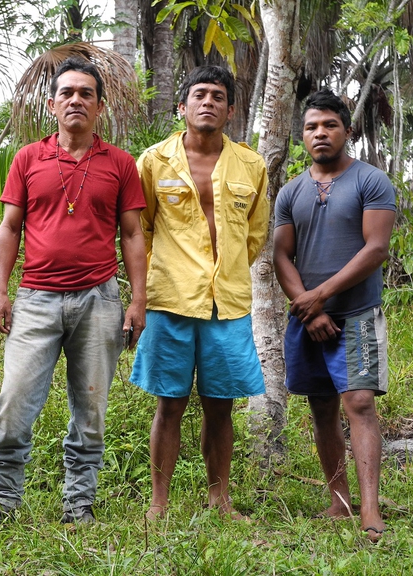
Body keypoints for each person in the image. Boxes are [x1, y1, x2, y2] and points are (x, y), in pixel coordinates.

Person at [0, 57, 147, 526]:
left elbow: (132, 235)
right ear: (52, 104)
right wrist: (0, 292)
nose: (76, 100)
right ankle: (3, 501)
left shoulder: (120, 164)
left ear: (99, 106)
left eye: (86, 93)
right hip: (35, 299)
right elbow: (9, 228)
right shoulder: (28, 158)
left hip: (99, 299)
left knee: (90, 409)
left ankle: (79, 505)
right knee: (14, 403)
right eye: (67, 93)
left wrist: (138, 300)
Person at [130, 65, 269, 521]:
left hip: (226, 304)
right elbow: (140, 230)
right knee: (169, 405)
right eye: (199, 94)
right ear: (182, 106)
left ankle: (220, 500)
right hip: (169, 300)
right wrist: (155, 283)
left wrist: (224, 272)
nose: (208, 101)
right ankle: (159, 504)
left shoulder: (251, 165)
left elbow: (255, 235)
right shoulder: (153, 161)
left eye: (217, 96)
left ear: (230, 109)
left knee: (220, 407)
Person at [273, 88, 396, 542]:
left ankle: (370, 509)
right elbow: (281, 256)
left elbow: (375, 249)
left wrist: (318, 297)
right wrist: (308, 312)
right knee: (321, 408)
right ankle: (338, 501)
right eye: (311, 127)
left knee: (359, 403)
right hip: (308, 320)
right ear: (301, 136)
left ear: (348, 130)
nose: (320, 133)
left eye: (329, 125)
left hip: (357, 313)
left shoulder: (370, 181)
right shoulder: (291, 191)